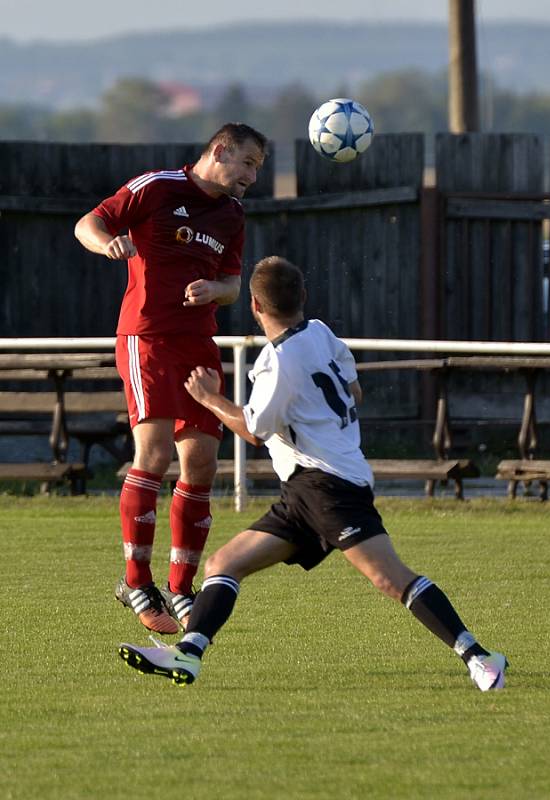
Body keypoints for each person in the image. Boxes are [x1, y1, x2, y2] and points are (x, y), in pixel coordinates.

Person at [118, 256, 507, 691]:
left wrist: (209, 399)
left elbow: (251, 430)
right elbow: (354, 391)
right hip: (305, 490)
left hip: (329, 488)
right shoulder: (320, 332)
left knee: (390, 577)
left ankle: (479, 657)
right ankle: (188, 656)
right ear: (302, 297)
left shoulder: (277, 362)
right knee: (224, 564)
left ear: (254, 306)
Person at [75, 123, 267, 635]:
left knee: (202, 462)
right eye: (248, 163)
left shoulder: (232, 214)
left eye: (259, 168)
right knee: (154, 454)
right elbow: (87, 224)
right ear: (220, 150)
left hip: (196, 342)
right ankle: (136, 580)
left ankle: (181, 587)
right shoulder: (157, 187)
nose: (252, 175)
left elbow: (232, 283)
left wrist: (215, 292)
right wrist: (107, 243)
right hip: (148, 337)